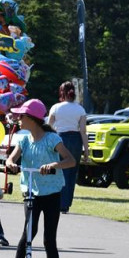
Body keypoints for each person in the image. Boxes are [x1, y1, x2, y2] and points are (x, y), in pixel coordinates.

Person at [3, 99, 77, 258]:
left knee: (49, 239)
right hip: (31, 193)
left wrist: (53, 165)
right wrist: (11, 164)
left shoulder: (52, 139)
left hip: (52, 193)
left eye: (22, 116)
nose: (18, 119)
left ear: (32, 119)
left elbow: (70, 161)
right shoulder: (24, 140)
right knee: (29, 231)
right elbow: (11, 158)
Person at [47, 81, 89, 214]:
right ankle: (66, 204)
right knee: (71, 172)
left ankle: (56, 201)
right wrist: (86, 150)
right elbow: (83, 131)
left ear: (62, 92)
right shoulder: (80, 109)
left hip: (60, 139)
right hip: (76, 140)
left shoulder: (56, 107)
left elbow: (49, 127)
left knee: (58, 170)